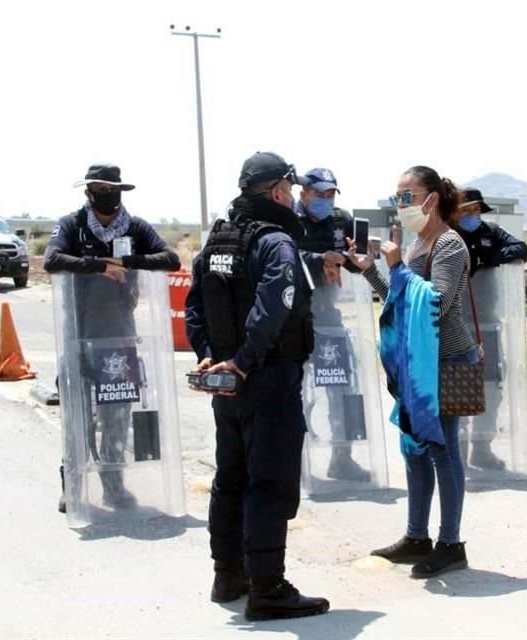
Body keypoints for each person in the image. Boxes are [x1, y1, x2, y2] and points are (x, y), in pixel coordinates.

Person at [185, 152, 329, 620]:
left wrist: (209, 356)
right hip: (264, 377)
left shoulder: (217, 240)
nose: (295, 197)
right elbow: (275, 306)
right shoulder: (275, 241)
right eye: (291, 188)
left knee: (231, 478)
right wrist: (243, 361)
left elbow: (194, 306)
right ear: (277, 192)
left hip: (227, 384)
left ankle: (229, 575)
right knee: (269, 483)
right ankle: (267, 586)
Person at [345, 165, 476, 579]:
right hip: (416, 365)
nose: (400, 204)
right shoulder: (420, 241)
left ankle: (451, 544)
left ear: (431, 199)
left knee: (443, 449)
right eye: (397, 197)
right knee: (414, 449)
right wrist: (370, 269)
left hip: (449, 361)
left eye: (406, 196)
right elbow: (399, 302)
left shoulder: (450, 244)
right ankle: (416, 535)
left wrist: (398, 266)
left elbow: (435, 303)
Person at [44, 163, 179, 514]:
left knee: (117, 414)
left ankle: (113, 485)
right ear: (89, 192)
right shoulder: (72, 225)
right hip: (79, 334)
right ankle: (72, 485)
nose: (108, 195)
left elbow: (170, 258)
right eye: (100, 189)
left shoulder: (135, 227)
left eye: (112, 189)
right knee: (78, 414)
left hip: (119, 337)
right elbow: (52, 259)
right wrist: (101, 265)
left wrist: (128, 262)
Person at [294, 167, 371, 482]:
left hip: (328, 316)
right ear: (304, 194)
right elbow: (283, 257)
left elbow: (360, 260)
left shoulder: (342, 220)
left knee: (342, 386)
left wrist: (355, 258)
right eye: (319, 194)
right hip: (293, 317)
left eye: (330, 195)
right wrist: (320, 258)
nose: (325, 200)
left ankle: (342, 457)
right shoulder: (288, 219)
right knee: (291, 391)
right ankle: (294, 463)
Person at [450, 187, 527, 471]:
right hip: (457, 325)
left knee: (490, 387)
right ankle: (456, 446)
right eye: (465, 210)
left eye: (475, 210)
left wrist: (489, 258)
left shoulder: (490, 233)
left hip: (488, 323)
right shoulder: (447, 235)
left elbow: (521, 249)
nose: (471, 215)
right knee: (459, 387)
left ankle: (481, 447)